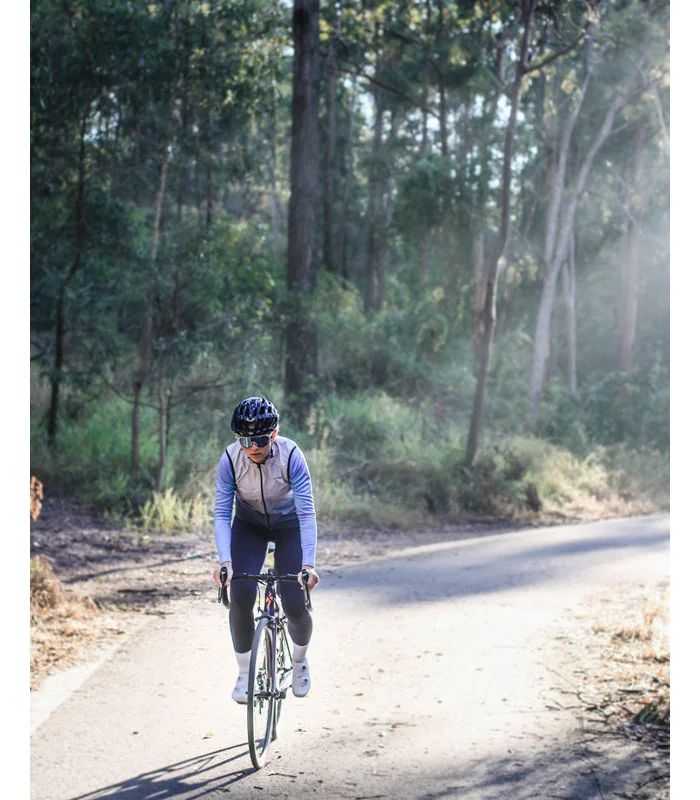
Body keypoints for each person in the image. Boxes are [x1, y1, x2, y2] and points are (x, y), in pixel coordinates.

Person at [212, 396, 320, 703]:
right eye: (245, 439)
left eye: (259, 438)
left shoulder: (291, 456)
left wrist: (308, 565)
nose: (253, 447)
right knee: (240, 596)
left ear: (273, 434)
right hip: (250, 526)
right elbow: (222, 514)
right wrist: (226, 562)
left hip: (290, 528)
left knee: (295, 602)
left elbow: (306, 513)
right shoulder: (230, 460)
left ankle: (299, 662)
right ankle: (245, 673)